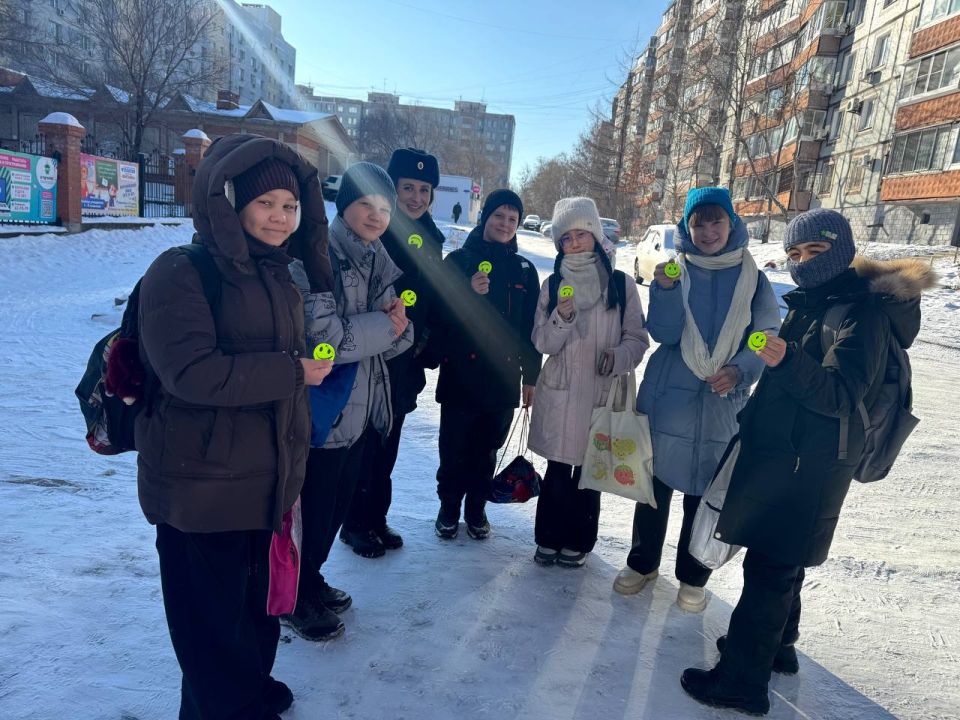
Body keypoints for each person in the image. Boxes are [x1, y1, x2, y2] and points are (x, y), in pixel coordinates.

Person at [681, 209, 936, 716]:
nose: (803, 264)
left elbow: (843, 394)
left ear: (840, 250)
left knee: (770, 568)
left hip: (808, 465)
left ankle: (741, 682)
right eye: (795, 255)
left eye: (815, 252)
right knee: (786, 561)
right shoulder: (823, 301)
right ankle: (778, 649)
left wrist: (785, 360)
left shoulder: (860, 313)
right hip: (792, 456)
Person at [136, 134, 334, 719]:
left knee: (255, 616)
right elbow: (191, 373)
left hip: (264, 485)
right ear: (232, 202)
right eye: (267, 202)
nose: (280, 217)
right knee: (211, 637)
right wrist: (293, 371)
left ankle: (248, 697)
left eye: (290, 206)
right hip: (202, 491)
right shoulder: (181, 270)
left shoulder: (279, 275)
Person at [613, 187, 780, 612]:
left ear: (732, 224)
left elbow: (765, 335)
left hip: (723, 401)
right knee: (655, 489)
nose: (707, 231)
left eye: (716, 221)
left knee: (704, 497)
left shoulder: (753, 278)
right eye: (698, 222)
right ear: (687, 227)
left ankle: (693, 576)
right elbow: (665, 334)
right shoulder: (675, 270)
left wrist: (740, 370)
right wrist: (665, 291)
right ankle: (642, 562)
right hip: (669, 397)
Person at [282, 161, 413, 642]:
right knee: (314, 512)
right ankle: (293, 597)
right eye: (366, 204)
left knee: (334, 510)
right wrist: (387, 327)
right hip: (324, 409)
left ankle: (309, 580)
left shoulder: (377, 257)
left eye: (384, 207)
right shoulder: (318, 256)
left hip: (361, 407)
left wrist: (392, 328)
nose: (376, 215)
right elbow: (325, 341)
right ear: (344, 205)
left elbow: (403, 337)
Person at [527, 197, 650, 568]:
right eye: (567, 237)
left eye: (582, 234)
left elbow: (637, 338)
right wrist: (560, 319)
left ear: (596, 236)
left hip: (601, 391)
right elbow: (542, 342)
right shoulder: (553, 284)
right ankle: (547, 539)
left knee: (589, 473)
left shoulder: (619, 284)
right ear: (559, 244)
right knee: (558, 472)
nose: (576, 242)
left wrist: (617, 358)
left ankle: (580, 541)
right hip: (561, 394)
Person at [339, 147, 444, 558]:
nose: (416, 197)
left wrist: (425, 346)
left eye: (424, 189)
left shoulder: (432, 238)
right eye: (407, 188)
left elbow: (436, 299)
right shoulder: (376, 231)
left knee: (389, 441)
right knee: (364, 442)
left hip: (406, 358)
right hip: (371, 356)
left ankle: (375, 517)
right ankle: (354, 523)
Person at [424, 189, 542, 539]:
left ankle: (476, 510)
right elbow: (438, 315)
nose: (505, 224)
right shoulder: (459, 261)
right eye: (498, 215)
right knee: (454, 451)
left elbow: (530, 331)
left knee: (486, 451)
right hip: (462, 375)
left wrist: (530, 377)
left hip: (503, 379)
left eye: (512, 218)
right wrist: (465, 291)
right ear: (485, 217)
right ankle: (448, 508)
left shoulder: (524, 269)